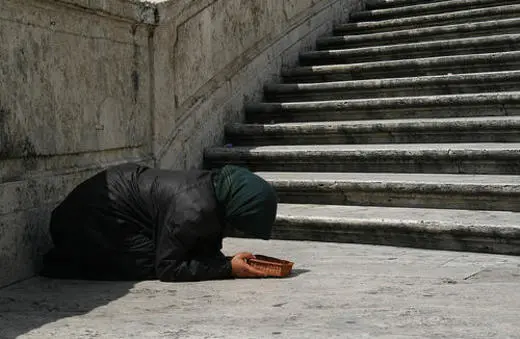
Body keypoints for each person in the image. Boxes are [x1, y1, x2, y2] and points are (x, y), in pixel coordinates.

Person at [40, 163, 278, 282]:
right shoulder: (193, 209)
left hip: (102, 212)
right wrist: (227, 269)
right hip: (86, 218)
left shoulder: (209, 190)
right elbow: (168, 267)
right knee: (148, 262)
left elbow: (197, 244)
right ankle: (61, 262)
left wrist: (225, 262)